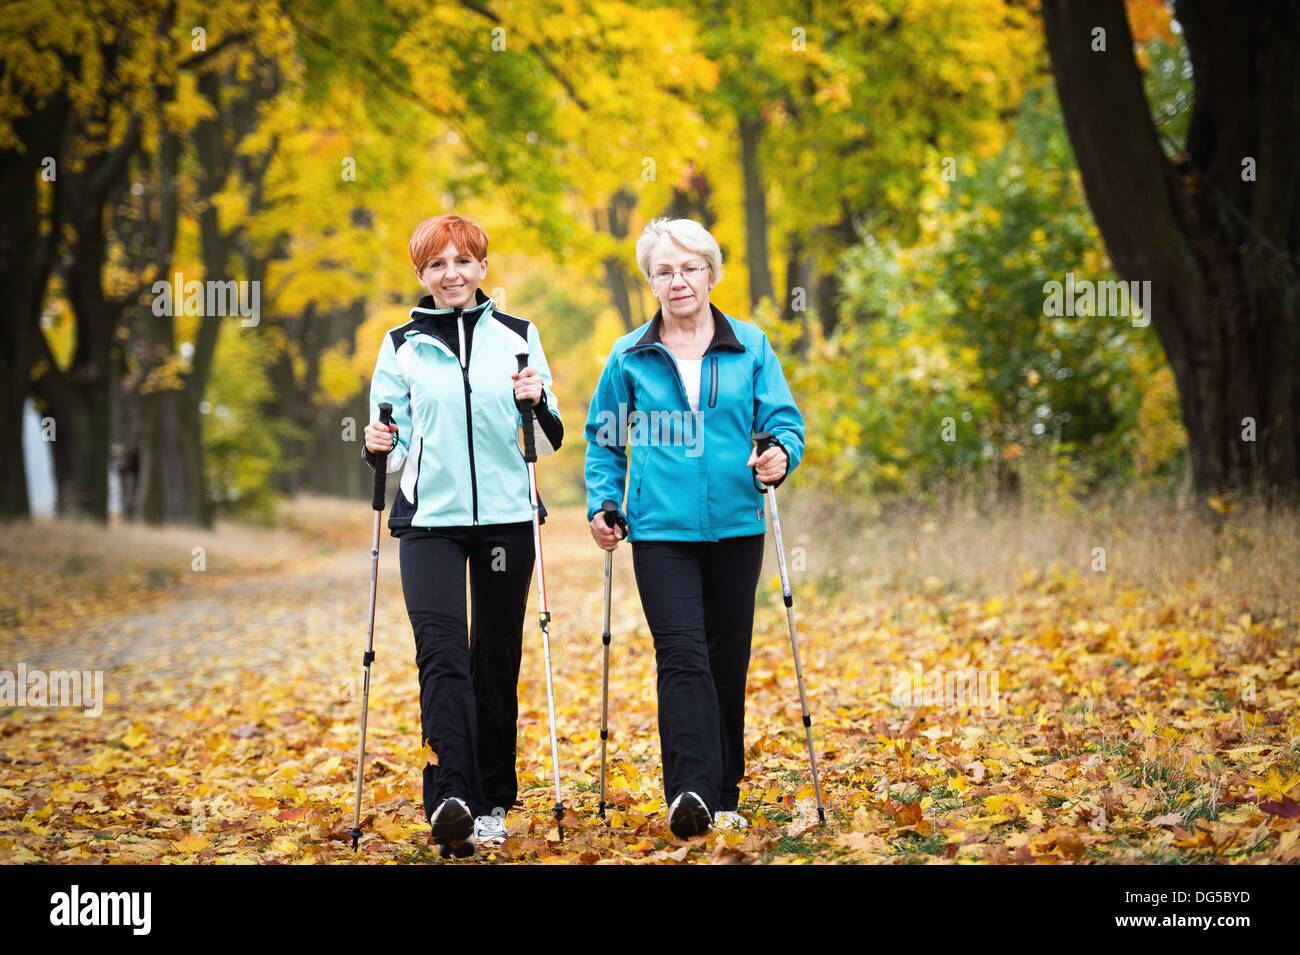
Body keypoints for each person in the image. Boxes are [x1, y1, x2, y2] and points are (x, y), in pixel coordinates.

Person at [584, 217, 805, 838]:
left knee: (725, 658)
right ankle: (690, 791)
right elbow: (604, 443)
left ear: (711, 273)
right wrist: (604, 505)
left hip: (737, 525)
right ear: (650, 282)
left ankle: (724, 790)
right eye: (663, 272)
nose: (677, 281)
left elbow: (785, 423)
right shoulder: (628, 355)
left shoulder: (751, 346)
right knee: (681, 655)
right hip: (658, 531)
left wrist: (781, 454)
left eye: (689, 268)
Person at [363, 213, 563, 855]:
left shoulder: (518, 335)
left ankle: (493, 801)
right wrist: (377, 443)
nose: (452, 273)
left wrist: (536, 401)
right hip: (431, 525)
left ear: (483, 267)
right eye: (437, 264)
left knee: (496, 656)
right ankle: (452, 794)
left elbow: (549, 439)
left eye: (463, 261)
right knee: (442, 653)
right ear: (421, 274)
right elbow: (388, 451)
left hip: (507, 518)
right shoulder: (401, 344)